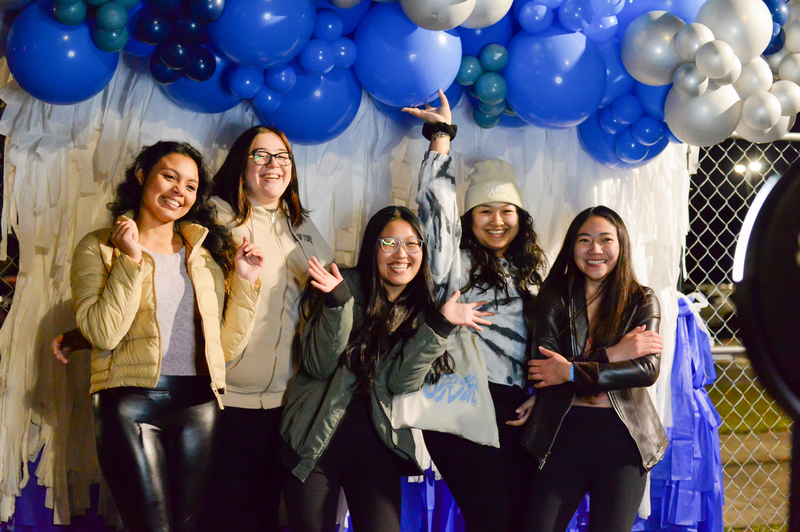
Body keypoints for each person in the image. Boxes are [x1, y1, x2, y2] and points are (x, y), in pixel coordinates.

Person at [68, 141, 263, 532]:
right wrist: (130, 261)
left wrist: (243, 282)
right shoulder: (99, 246)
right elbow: (103, 333)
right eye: (169, 177)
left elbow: (223, 352)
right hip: (129, 404)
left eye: (191, 186)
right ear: (142, 177)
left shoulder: (203, 255)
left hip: (199, 407)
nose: (179, 191)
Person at [278, 205, 493, 532]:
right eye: (389, 243)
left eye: (412, 244)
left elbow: (401, 382)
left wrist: (440, 326)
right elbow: (318, 365)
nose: (401, 254)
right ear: (372, 247)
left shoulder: (424, 310)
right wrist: (338, 305)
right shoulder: (342, 284)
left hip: (379, 447)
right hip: (314, 443)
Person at [403, 91, 548, 532]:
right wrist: (441, 138)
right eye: (484, 211)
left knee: (523, 520)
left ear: (521, 217)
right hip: (467, 404)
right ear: (469, 218)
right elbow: (436, 211)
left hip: (518, 408)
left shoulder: (529, 273)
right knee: (494, 520)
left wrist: (541, 395)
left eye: (506, 211)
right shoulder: (454, 261)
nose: (497, 220)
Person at [200, 125, 334, 532]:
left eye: (282, 157)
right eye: (261, 155)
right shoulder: (214, 218)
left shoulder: (303, 227)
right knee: (217, 515)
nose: (273, 165)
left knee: (264, 516)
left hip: (282, 403)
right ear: (241, 165)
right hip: (222, 398)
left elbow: (333, 293)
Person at [521, 205, 668, 532]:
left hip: (623, 439)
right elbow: (544, 369)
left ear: (621, 245)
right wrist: (615, 353)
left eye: (605, 240)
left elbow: (645, 371)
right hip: (563, 433)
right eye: (584, 240)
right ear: (572, 247)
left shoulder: (641, 300)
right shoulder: (554, 297)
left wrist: (570, 373)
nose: (595, 250)